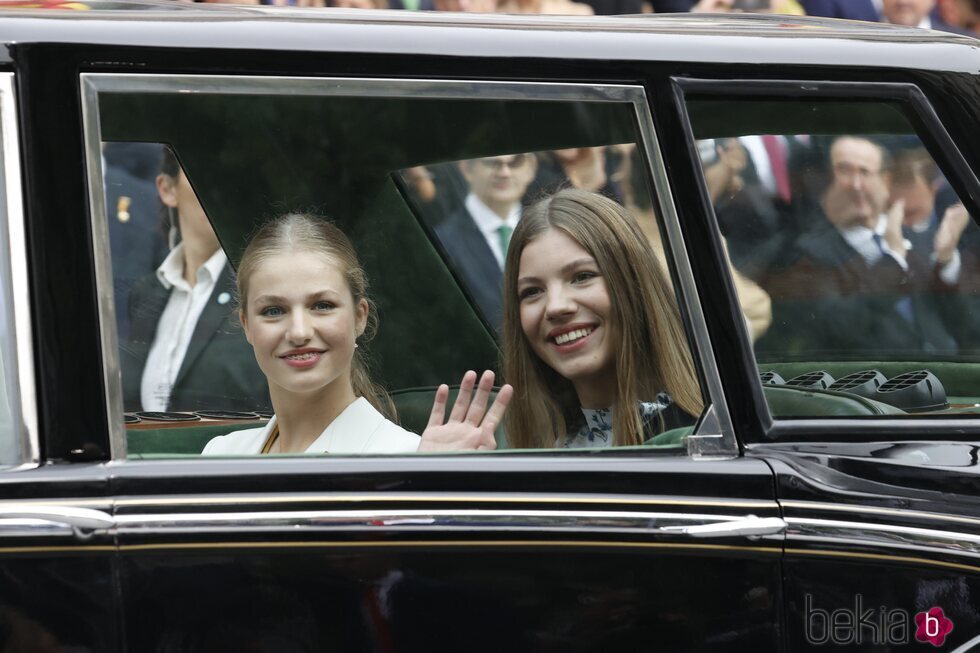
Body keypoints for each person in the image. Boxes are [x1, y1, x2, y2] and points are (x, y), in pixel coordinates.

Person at [203, 213, 512, 455]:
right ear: (246, 325)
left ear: (360, 316)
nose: (298, 331)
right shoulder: (220, 453)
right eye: (273, 311)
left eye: (322, 305)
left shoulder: (409, 457)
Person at [501, 188, 703, 449]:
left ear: (635, 282)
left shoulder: (708, 437)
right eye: (532, 291)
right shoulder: (531, 452)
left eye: (582, 277)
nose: (555, 307)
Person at [761, 136, 963, 357]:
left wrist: (946, 261)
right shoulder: (807, 253)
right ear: (826, 182)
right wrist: (892, 261)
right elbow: (841, 327)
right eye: (844, 171)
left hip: (948, 374)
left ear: (885, 181)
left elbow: (964, 323)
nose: (856, 185)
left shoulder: (918, 237)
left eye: (865, 172)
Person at [121, 148, 268, 413]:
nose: (218, 189)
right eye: (203, 172)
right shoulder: (147, 293)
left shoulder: (259, 285)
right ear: (167, 189)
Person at [434, 153, 537, 328]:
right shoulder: (442, 242)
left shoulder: (548, 232)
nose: (504, 172)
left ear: (531, 168)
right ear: (467, 168)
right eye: (493, 162)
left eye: (515, 162)